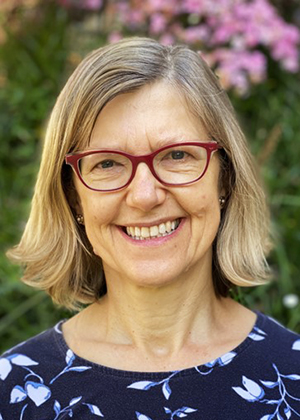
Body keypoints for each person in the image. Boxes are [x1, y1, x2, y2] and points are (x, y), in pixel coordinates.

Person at [1, 37, 299, 420]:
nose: (144, 196)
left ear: (224, 179)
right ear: (74, 198)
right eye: (107, 163)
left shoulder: (292, 377)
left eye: (177, 156)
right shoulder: (14, 393)